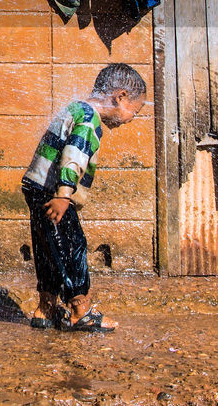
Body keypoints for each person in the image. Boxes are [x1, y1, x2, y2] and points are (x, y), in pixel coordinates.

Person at [21, 62, 146, 333]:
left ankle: (46, 308)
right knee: (72, 246)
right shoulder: (90, 119)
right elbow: (74, 156)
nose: (131, 119)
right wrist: (65, 194)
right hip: (54, 193)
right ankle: (80, 310)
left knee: (47, 249)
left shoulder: (75, 106)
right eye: (134, 111)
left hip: (36, 186)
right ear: (120, 96)